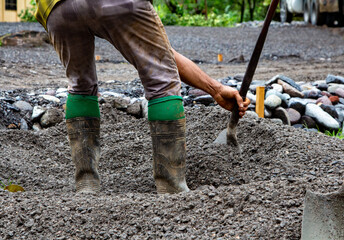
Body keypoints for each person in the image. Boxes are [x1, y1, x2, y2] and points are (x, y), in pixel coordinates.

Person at [35, 0, 250, 194]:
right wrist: (214, 88)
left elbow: (162, 53)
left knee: (80, 85)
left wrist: (215, 89)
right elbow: (160, 60)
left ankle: (86, 186)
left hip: (55, 8)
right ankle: (172, 189)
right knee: (163, 83)